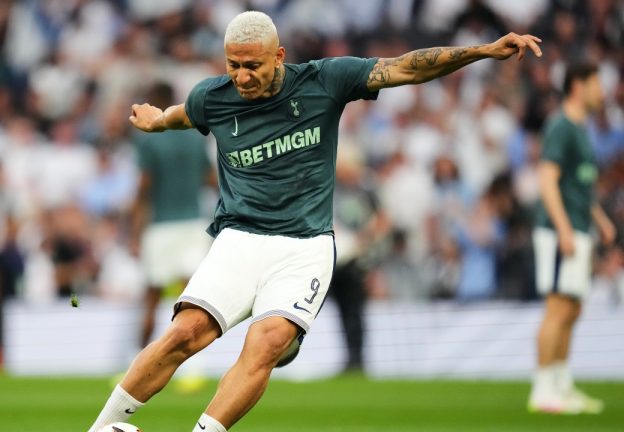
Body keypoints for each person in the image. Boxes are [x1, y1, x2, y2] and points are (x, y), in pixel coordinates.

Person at [87, 11, 542, 432]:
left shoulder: (325, 80)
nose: (242, 77)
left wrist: (481, 50)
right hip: (239, 239)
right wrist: (158, 120)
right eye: (233, 65)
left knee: (266, 344)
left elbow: (407, 67)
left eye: (253, 66)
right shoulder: (214, 97)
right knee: (184, 334)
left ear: (279, 56)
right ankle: (101, 427)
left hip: (304, 247)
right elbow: (185, 114)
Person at [528, 61, 616, 414]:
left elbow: (578, 184)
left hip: (578, 227)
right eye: (597, 83)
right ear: (579, 86)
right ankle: (542, 389)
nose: (603, 91)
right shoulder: (561, 127)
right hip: (558, 231)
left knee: (573, 308)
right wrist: (564, 227)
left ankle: (561, 385)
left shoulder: (581, 128)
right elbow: (547, 180)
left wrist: (599, 219)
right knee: (557, 308)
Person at [128, 81, 215, 349]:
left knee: (152, 299)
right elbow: (211, 179)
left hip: (161, 226)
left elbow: (143, 189)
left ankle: (135, 362)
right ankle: (191, 369)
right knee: (190, 299)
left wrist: (134, 232)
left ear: (155, 100)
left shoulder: (148, 139)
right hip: (194, 224)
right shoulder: (195, 136)